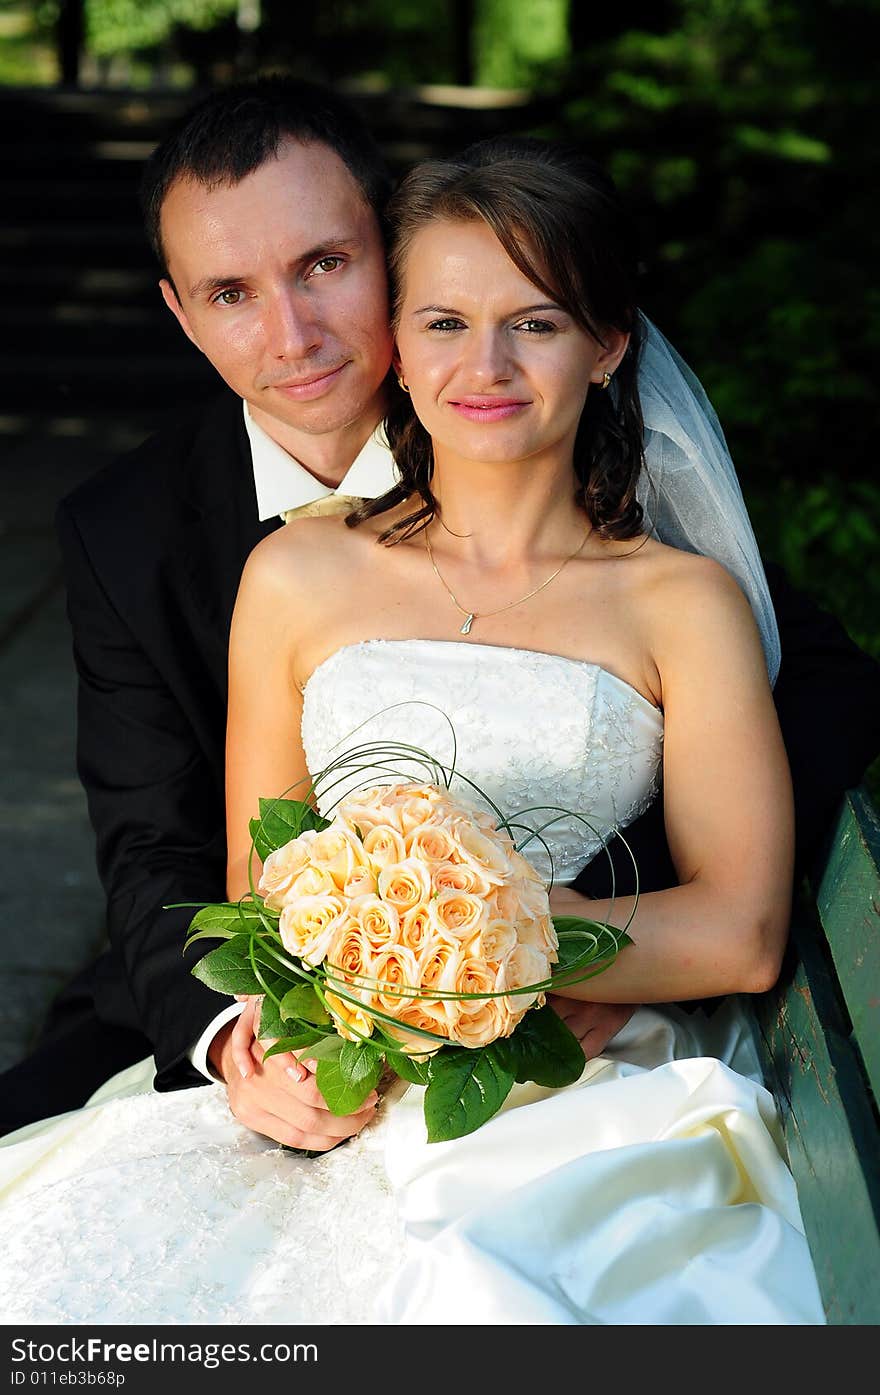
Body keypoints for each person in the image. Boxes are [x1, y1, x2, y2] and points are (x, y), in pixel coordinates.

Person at [0, 136, 829, 1325]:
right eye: (444, 321)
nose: (483, 362)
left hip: (575, 1074)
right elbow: (238, 878)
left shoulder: (677, 597)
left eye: (535, 324)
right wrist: (284, 1033)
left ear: (608, 345)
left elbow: (740, 923)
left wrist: (499, 954)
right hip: (328, 1058)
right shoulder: (286, 571)